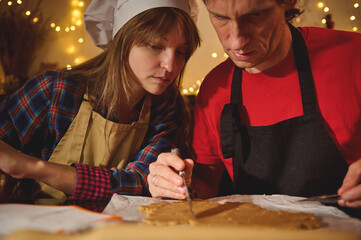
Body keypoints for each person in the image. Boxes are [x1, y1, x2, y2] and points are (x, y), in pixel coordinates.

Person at [148, 0, 361, 209]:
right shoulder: (215, 88)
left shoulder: (353, 56)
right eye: (220, 17)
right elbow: (206, 187)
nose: (237, 42)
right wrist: (175, 185)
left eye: (255, 15)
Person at [0, 0, 200, 202]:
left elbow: (139, 182)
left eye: (181, 52)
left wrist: (32, 167)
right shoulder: (56, 90)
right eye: (155, 45)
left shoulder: (167, 110)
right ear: (123, 41)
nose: (170, 65)